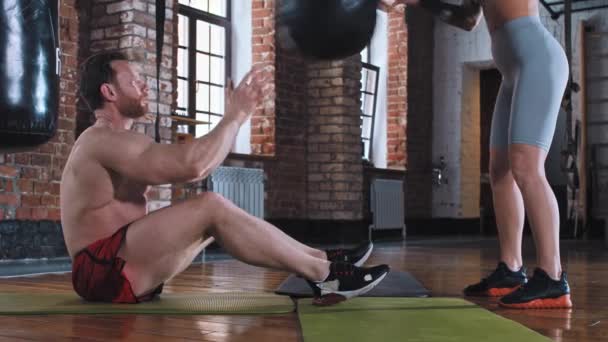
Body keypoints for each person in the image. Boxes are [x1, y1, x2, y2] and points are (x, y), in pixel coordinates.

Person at [60, 51, 388, 305]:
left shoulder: (118, 140)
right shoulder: (102, 139)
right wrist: (235, 116)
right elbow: (194, 167)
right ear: (109, 92)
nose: (145, 85)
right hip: (101, 272)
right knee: (210, 206)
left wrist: (235, 119)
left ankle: (324, 260)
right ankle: (327, 276)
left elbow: (200, 165)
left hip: (121, 263)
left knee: (214, 211)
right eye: (134, 81)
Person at [386, 0, 572, 309]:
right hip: (513, 72)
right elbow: (468, 19)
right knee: (500, 172)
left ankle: (553, 278)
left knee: (526, 167)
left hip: (538, 59)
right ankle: (511, 270)